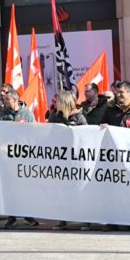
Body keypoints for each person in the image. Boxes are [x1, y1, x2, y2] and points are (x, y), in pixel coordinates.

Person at [0, 89, 38, 228]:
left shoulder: (27, 115)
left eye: (7, 99)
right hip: (8, 158)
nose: (4, 101)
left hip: (24, 157)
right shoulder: (2, 115)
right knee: (10, 187)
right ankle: (12, 216)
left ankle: (28, 215)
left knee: (25, 187)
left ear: (15, 100)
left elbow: (35, 133)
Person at [49, 90, 88, 230]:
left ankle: (85, 220)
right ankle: (62, 219)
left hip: (76, 160)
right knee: (61, 191)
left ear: (64, 103)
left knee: (79, 190)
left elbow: (87, 137)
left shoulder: (80, 118)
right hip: (61, 160)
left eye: (58, 101)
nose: (55, 104)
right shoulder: (55, 116)